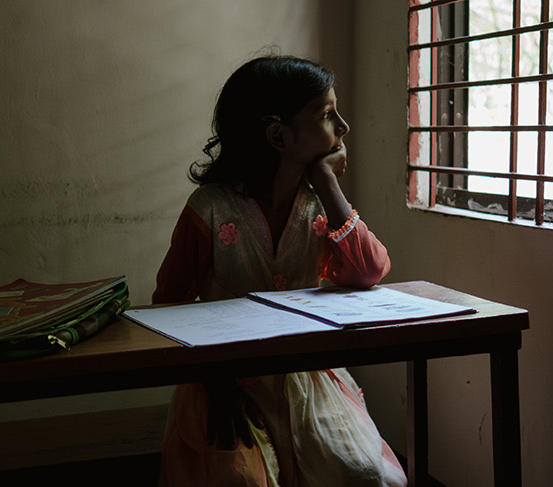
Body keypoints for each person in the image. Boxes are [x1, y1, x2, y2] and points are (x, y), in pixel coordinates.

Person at [153, 55, 406, 487]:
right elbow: (168, 304)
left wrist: (328, 183)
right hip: (225, 382)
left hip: (307, 376)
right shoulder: (209, 210)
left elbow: (369, 271)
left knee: (368, 476)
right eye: (327, 115)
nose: (343, 126)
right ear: (277, 135)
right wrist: (212, 381)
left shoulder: (321, 204)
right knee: (241, 481)